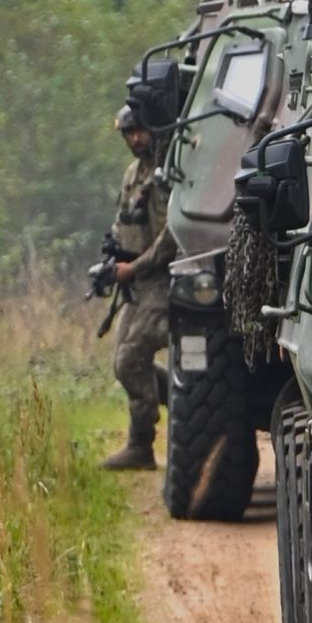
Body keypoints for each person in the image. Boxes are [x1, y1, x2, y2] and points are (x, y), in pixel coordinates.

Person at [100, 102, 176, 470]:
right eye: (129, 133)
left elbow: (168, 238)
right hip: (135, 280)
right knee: (122, 361)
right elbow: (122, 222)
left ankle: (141, 444)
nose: (134, 138)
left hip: (159, 280)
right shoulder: (134, 173)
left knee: (131, 358)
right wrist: (112, 260)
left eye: (139, 131)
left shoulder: (162, 177)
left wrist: (135, 268)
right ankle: (184, 395)